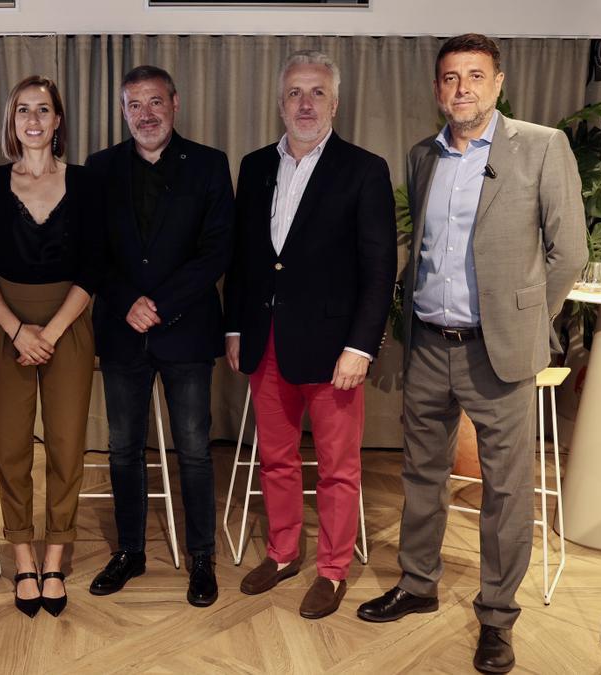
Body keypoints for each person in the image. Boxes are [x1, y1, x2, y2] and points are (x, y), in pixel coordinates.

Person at [355, 34, 587, 674]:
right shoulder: (421, 156)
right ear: (438, 89)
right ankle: (417, 585)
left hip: (500, 354)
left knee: (507, 491)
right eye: (451, 78)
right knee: (419, 475)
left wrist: (527, 325)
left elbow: (570, 254)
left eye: (475, 76)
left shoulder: (542, 148)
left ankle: (496, 617)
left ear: (498, 83)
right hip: (429, 342)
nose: (463, 88)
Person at [224, 50, 395, 619]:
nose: (305, 103)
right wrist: (233, 326)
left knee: (338, 467)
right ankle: (281, 553)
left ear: (335, 102)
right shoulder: (253, 167)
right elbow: (244, 259)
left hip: (333, 351)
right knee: (275, 459)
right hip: (265, 341)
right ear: (280, 102)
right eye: (295, 92)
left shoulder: (364, 169)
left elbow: (379, 270)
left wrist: (360, 346)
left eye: (317, 92)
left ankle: (333, 569)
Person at [85, 65, 234, 607]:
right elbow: (90, 251)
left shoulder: (210, 165)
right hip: (122, 330)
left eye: (154, 102)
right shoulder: (99, 169)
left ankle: (201, 558)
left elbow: (218, 249)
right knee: (123, 449)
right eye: (134, 105)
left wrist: (162, 305)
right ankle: (130, 552)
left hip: (186, 330)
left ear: (174, 103)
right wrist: (128, 301)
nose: (145, 114)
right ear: (123, 111)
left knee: (194, 450)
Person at [0, 75, 102, 618]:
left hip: (70, 321)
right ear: (12, 120)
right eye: (24, 110)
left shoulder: (87, 183)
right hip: (7, 323)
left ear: (58, 119)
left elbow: (94, 267)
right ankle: (23, 555)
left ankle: (56, 554)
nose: (34, 120)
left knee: (68, 447)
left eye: (44, 109)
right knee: (12, 447)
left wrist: (52, 331)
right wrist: (20, 331)